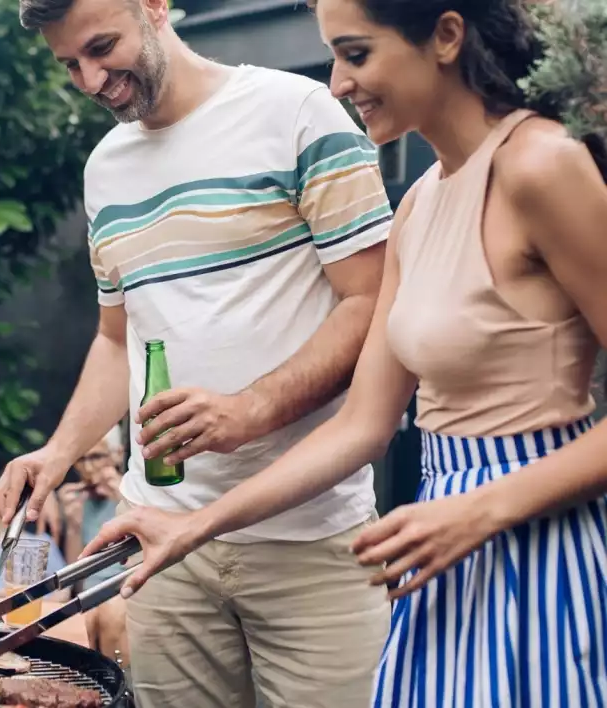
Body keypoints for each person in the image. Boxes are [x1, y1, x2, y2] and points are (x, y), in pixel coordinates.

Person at [83, 1, 607, 706]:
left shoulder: (542, 165)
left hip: (534, 545)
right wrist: (191, 527)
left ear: (446, 36)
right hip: (436, 544)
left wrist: (480, 510)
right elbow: (361, 426)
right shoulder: (420, 203)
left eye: (356, 54)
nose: (336, 83)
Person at [0, 0, 394, 704]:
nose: (90, 80)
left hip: (311, 542)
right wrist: (56, 454)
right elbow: (117, 339)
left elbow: (371, 302)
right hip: (158, 544)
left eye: (101, 46)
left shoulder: (299, 113)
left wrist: (253, 407)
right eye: (69, 66)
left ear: (154, 7)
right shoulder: (105, 170)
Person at [58, 425, 126, 591]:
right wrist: (74, 528)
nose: (87, 468)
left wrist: (125, 501)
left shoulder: (136, 494)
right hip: (89, 598)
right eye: (81, 459)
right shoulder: (76, 502)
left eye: (96, 457)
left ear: (117, 454)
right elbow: (74, 581)